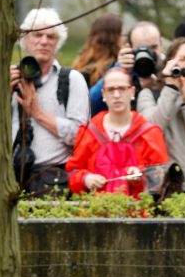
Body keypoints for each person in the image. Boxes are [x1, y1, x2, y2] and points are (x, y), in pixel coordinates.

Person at [10, 7, 90, 195]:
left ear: (58, 43)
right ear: (25, 40)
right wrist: (0, 94)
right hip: (9, 176)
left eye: (51, 37)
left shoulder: (72, 80)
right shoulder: (8, 78)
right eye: (37, 35)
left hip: (53, 178)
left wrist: (38, 114)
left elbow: (81, 137)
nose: (44, 41)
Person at [66, 67, 168, 197]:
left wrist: (140, 175)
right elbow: (72, 171)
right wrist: (85, 178)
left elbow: (162, 179)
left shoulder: (150, 133)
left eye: (122, 89)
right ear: (103, 94)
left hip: (138, 212)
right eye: (111, 89)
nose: (116, 95)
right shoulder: (89, 131)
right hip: (95, 211)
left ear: (132, 92)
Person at [137, 37, 185, 194]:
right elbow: (150, 134)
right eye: (182, 59)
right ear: (169, 63)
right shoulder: (148, 96)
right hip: (160, 188)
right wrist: (171, 89)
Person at [87, 21, 163, 115]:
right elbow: (91, 103)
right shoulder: (122, 70)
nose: (148, 54)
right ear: (129, 48)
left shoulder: (168, 69)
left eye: (153, 47)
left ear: (161, 44)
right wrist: (119, 69)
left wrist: (161, 86)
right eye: (142, 49)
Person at [72, 13, 123, 87]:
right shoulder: (112, 66)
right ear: (113, 38)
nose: (123, 39)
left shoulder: (80, 62)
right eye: (121, 34)